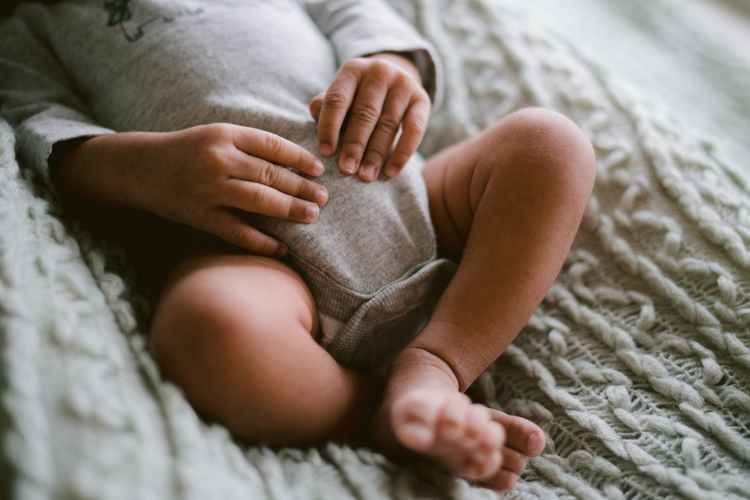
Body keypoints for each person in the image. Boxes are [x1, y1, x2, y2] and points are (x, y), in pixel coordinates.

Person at [0, 0, 596, 493]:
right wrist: (144, 169)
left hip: (414, 197)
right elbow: (42, 128)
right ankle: (381, 407)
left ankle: (436, 362)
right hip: (265, 262)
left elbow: (353, 10)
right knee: (208, 334)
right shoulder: (26, 29)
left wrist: (389, 64)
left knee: (550, 145)